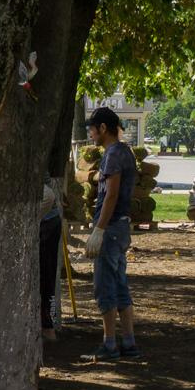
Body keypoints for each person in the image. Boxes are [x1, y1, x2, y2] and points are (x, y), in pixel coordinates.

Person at [82, 105, 139, 362]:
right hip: (121, 226)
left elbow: (111, 194)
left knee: (104, 285)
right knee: (119, 284)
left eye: (93, 131)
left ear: (103, 128)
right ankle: (129, 342)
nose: (92, 136)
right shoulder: (125, 151)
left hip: (112, 227)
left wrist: (99, 229)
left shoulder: (114, 154)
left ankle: (110, 344)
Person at [38, 175, 64, 338]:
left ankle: (48, 325)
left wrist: (32, 220)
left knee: (46, 276)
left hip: (48, 221)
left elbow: (48, 195)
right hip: (47, 218)